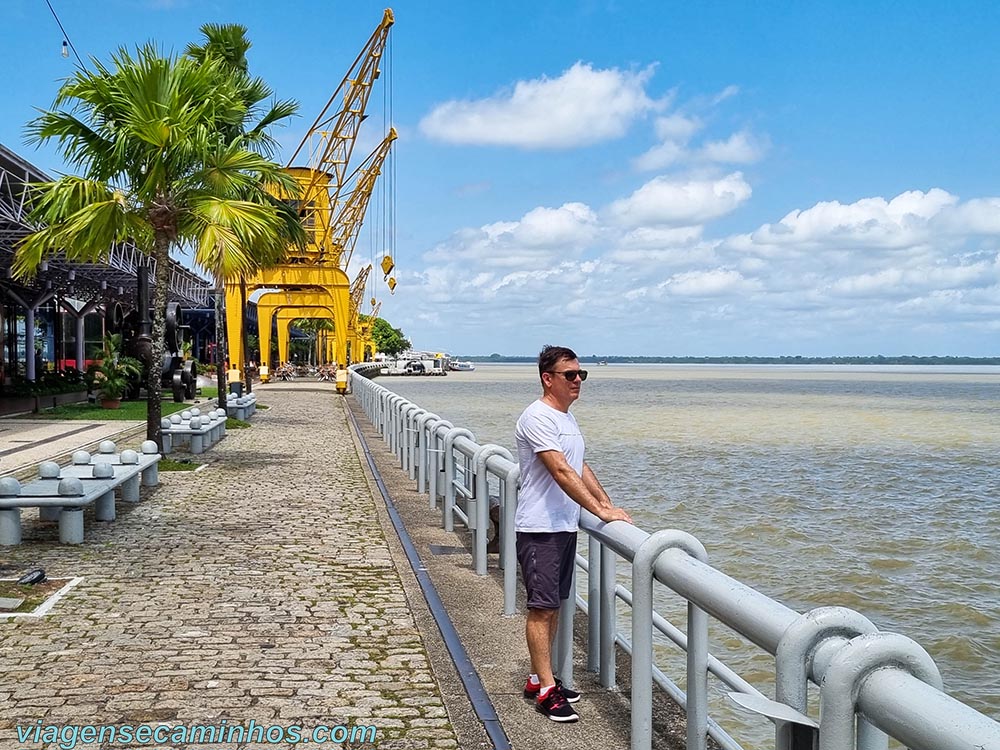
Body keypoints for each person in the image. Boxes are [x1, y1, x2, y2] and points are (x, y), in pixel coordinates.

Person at [515, 345, 632, 722]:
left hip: (563, 526)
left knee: (555, 605)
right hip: (540, 528)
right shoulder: (537, 417)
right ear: (548, 379)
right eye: (570, 375)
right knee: (542, 607)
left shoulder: (567, 419)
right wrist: (598, 511)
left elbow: (579, 466)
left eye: (581, 374)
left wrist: (608, 507)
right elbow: (560, 471)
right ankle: (547, 691)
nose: (578, 380)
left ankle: (540, 677)